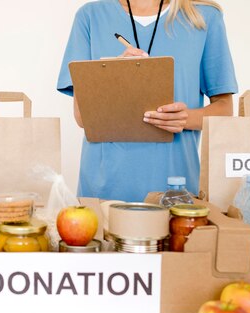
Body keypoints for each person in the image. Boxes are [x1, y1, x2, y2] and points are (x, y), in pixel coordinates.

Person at [57, 0, 237, 202]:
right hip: (104, 191)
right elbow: (82, 118)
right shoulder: (90, 16)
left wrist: (186, 119)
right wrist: (112, 75)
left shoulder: (205, 17)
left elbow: (224, 109)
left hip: (175, 190)